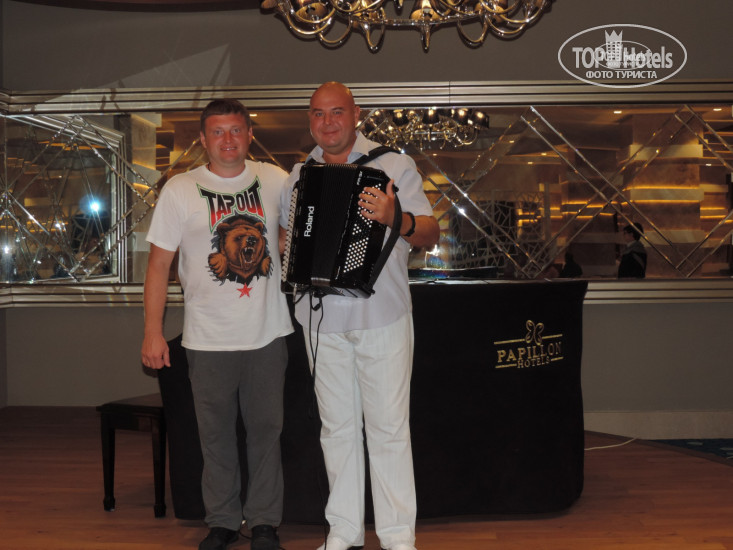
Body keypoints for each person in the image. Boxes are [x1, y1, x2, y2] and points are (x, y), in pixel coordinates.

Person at [279, 82, 440, 550]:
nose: (327, 122)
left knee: (388, 429)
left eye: (337, 112)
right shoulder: (298, 176)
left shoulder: (394, 166)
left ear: (356, 114)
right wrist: (291, 249)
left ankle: (397, 538)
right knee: (337, 430)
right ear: (310, 120)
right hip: (321, 319)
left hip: (381, 315)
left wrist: (395, 217)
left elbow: (430, 233)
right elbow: (290, 237)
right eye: (317, 113)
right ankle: (344, 531)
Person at [141, 99, 293, 550]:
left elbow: (296, 232)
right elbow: (158, 266)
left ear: (249, 134)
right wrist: (152, 331)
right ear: (203, 139)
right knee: (215, 438)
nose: (228, 140)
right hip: (206, 340)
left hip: (267, 334)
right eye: (218, 132)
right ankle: (223, 521)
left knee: (266, 434)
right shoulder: (180, 189)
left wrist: (284, 243)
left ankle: (263, 523)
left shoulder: (275, 179)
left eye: (236, 130)